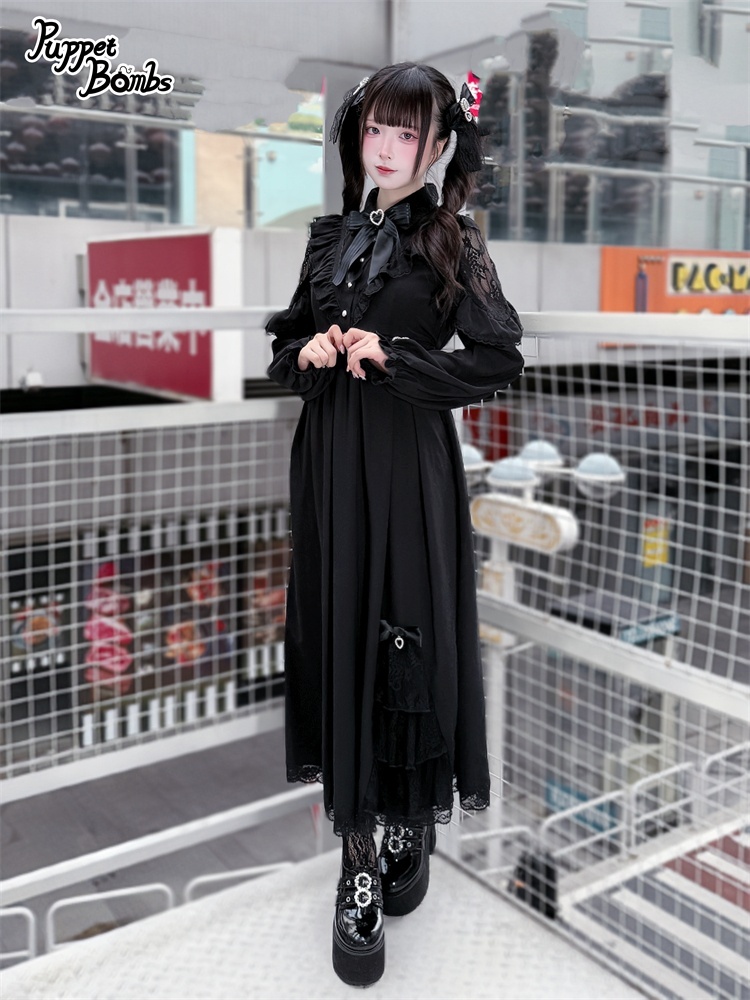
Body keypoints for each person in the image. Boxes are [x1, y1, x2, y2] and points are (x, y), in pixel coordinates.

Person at [265, 62, 524, 987]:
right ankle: (359, 865)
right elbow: (283, 349)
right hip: (332, 468)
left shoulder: (453, 241)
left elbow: (497, 357)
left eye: (406, 133)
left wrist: (400, 357)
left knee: (406, 635)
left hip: (409, 470)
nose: (386, 147)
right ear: (357, 135)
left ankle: (409, 824)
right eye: (376, 127)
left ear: (437, 146)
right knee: (342, 637)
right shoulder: (329, 238)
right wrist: (312, 349)